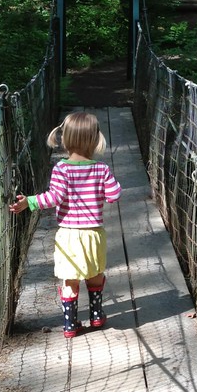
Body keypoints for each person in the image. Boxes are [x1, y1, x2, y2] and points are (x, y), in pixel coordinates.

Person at [9, 112, 121, 338]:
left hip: (68, 235)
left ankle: (70, 325)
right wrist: (109, 182)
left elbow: (53, 198)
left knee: (70, 277)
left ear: (65, 139)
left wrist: (29, 201)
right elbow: (114, 195)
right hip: (93, 234)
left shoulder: (61, 169)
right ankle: (96, 314)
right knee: (95, 272)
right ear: (95, 139)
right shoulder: (102, 169)